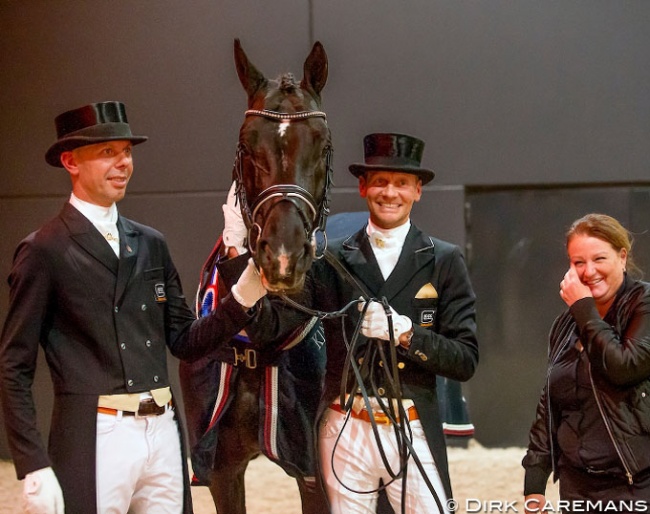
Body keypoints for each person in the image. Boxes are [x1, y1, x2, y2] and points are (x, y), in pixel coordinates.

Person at [0, 101, 261, 514]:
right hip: (95, 434)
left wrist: (243, 295)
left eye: (127, 151)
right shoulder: (44, 250)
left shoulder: (151, 243)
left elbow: (186, 342)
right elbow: (14, 365)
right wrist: (32, 464)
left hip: (161, 430)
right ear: (70, 161)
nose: (123, 163)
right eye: (108, 152)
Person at [235, 133, 479, 513]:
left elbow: (464, 360)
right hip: (345, 427)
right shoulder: (330, 258)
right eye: (380, 181)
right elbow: (272, 330)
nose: (390, 192)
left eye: (401, 183)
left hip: (412, 426)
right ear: (364, 187)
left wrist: (405, 335)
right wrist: (242, 265)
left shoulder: (444, 259)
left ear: (418, 191)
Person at [522, 213, 650, 513]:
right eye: (578, 262)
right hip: (576, 486)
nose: (588, 271)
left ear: (622, 257)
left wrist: (583, 308)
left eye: (599, 259)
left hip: (634, 485)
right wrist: (535, 482)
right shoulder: (565, 324)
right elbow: (550, 405)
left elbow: (623, 367)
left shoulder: (642, 303)